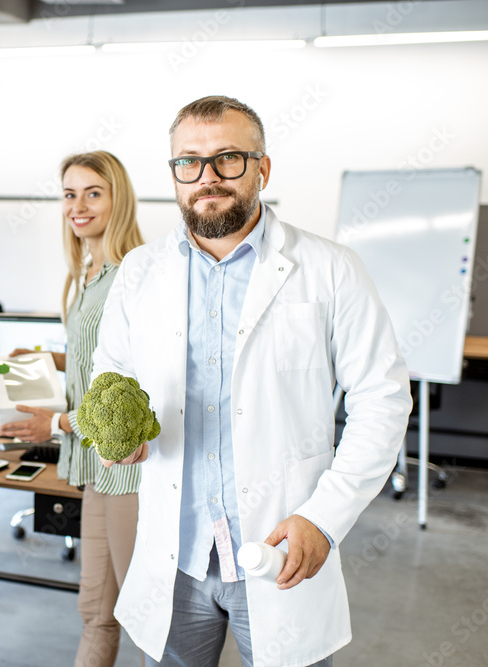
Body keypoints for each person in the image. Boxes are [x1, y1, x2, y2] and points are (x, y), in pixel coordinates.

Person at [92, 96, 413, 666]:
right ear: (174, 175)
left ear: (262, 169)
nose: (207, 177)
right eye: (188, 162)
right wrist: (121, 433)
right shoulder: (140, 272)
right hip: (176, 554)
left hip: (282, 548)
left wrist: (323, 518)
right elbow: (111, 372)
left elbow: (382, 401)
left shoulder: (330, 269)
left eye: (228, 159)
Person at [0, 151, 146, 667]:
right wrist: (50, 360)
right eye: (68, 193)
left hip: (127, 472)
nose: (77, 206)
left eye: (92, 193)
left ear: (117, 199)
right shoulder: (92, 274)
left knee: (147, 613)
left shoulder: (133, 275)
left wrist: (56, 422)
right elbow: (100, 359)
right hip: (94, 471)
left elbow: (130, 389)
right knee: (96, 610)